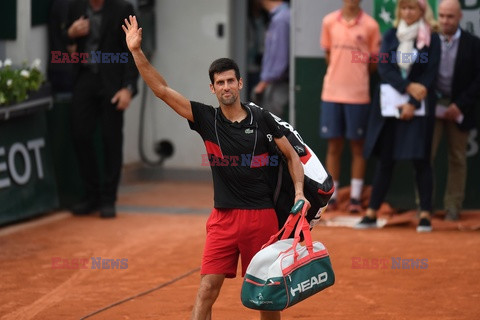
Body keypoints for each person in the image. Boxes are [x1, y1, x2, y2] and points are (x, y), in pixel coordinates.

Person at [122, 15, 310, 320]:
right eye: (219, 82)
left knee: (266, 297)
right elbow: (162, 90)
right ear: (212, 88)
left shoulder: (261, 119)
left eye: (230, 81)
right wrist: (136, 52)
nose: (226, 87)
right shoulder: (205, 119)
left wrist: (300, 192)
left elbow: (291, 156)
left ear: (240, 83)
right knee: (207, 290)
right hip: (222, 219)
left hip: (261, 219)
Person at [355, 0, 440, 232]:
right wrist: (407, 88)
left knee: (421, 160)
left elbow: (431, 72)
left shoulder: (431, 37)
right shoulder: (391, 34)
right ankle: (371, 213)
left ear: (422, 11)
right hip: (390, 107)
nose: (407, 12)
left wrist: (413, 102)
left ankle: (425, 215)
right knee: (386, 159)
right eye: (404, 8)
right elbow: (384, 68)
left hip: (419, 107)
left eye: (413, 8)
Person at [67, 0, 139, 218]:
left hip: (112, 82)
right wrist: (70, 34)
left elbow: (133, 49)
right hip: (85, 77)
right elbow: (67, 49)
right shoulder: (76, 7)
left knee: (111, 139)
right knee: (80, 135)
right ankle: (92, 196)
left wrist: (128, 88)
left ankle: (108, 199)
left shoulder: (123, 9)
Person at [319, 0, 381, 213]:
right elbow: (329, 56)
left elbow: (373, 63)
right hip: (331, 93)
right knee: (334, 146)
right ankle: (332, 197)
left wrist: (357, 76)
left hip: (358, 95)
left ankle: (355, 198)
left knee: (358, 147)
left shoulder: (371, 26)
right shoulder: (328, 21)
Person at [432, 0, 480, 221]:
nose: (445, 20)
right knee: (426, 157)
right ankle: (425, 208)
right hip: (432, 106)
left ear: (460, 17)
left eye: (450, 16)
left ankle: (453, 208)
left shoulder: (473, 44)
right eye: (441, 15)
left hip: (461, 107)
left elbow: (478, 80)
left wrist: (459, 105)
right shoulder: (428, 41)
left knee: (458, 158)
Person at [253, 0, 290, 119]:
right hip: (277, 82)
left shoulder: (280, 19)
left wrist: (263, 83)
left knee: (273, 126)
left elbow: (280, 56)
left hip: (278, 83)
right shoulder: (281, 16)